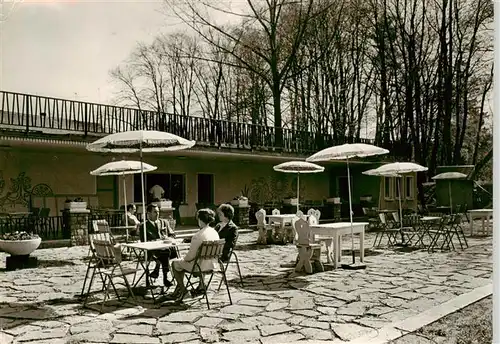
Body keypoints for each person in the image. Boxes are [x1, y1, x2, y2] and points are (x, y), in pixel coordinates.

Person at [168, 208, 219, 300]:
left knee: (175, 264)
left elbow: (190, 257)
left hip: (199, 267)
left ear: (199, 219)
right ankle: (200, 286)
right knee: (182, 263)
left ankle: (184, 291)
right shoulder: (215, 232)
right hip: (212, 265)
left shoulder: (198, 235)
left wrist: (183, 259)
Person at [191, 203, 239, 296]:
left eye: (220, 214)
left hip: (221, 254)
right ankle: (201, 284)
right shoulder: (218, 225)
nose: (218, 215)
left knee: (201, 257)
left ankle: (201, 284)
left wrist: (217, 250)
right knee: (202, 254)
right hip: (211, 252)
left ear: (226, 215)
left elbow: (229, 245)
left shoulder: (233, 228)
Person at [140, 204, 177, 287]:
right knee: (165, 253)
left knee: (166, 252)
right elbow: (143, 241)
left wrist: (167, 237)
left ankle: (157, 269)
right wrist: (156, 241)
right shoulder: (144, 226)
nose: (157, 214)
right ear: (148, 213)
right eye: (155, 212)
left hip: (168, 250)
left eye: (158, 212)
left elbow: (172, 234)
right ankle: (165, 278)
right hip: (152, 251)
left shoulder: (164, 222)